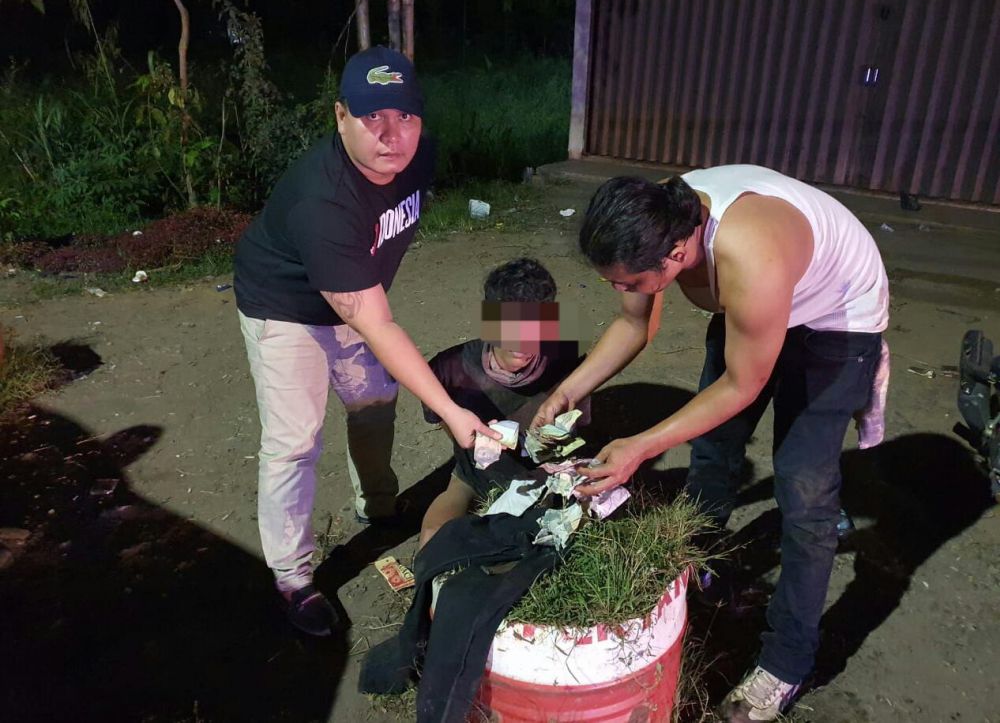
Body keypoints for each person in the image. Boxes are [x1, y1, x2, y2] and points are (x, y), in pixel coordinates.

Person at [533, 166, 888, 721]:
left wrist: (640, 446)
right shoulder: (654, 220)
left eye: (628, 283)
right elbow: (633, 327)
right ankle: (703, 571)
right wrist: (566, 392)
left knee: (804, 490)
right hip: (751, 306)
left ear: (676, 255)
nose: (621, 292)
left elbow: (743, 385)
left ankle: (786, 662)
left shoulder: (748, 253)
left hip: (835, 320)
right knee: (714, 448)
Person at [234, 46, 498, 637]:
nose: (390, 134)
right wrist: (453, 411)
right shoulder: (323, 201)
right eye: (371, 116)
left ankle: (377, 505)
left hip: (353, 290)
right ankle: (292, 577)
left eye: (404, 116)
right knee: (294, 441)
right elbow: (378, 325)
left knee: (376, 402)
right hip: (284, 305)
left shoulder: (418, 157)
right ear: (340, 116)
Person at [418, 257, 587, 548]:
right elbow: (446, 423)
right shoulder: (448, 369)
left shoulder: (566, 358)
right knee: (434, 540)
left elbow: (577, 427)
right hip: (475, 475)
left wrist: (549, 444)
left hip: (545, 475)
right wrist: (475, 444)